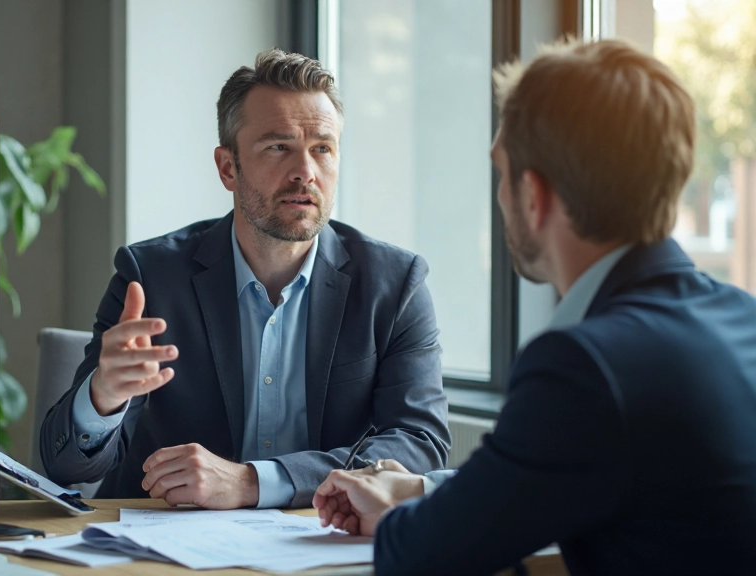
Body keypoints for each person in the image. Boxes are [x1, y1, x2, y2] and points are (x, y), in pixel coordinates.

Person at [314, 38, 756, 575]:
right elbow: (548, 473)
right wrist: (420, 488)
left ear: (533, 195)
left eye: (501, 171)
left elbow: (423, 555)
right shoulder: (740, 318)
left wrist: (396, 518)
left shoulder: (585, 365)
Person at [39, 48, 451, 510]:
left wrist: (253, 483)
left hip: (320, 540)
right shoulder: (151, 277)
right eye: (278, 147)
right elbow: (67, 469)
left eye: (322, 148)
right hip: (165, 546)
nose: (305, 172)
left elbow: (420, 443)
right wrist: (103, 397)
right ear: (227, 167)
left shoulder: (395, 285)